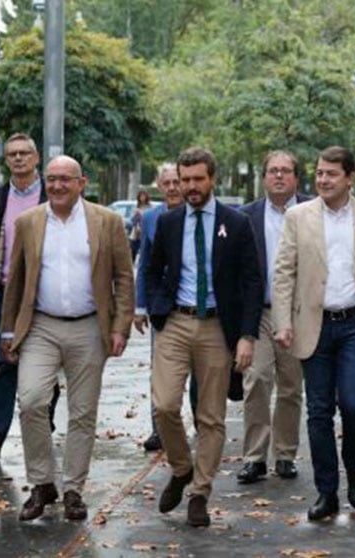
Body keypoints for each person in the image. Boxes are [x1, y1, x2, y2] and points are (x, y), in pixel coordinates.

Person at [0, 155, 134, 522]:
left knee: (83, 412)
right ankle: (43, 483)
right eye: (52, 179)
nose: (57, 186)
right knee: (31, 401)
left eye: (65, 179)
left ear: (81, 183)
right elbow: (16, 280)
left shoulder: (107, 222)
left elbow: (123, 277)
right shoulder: (28, 221)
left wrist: (119, 326)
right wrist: (8, 330)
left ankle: (74, 488)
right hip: (41, 326)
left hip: (91, 326)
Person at [145, 147, 261, 528]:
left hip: (217, 327)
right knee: (164, 405)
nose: (190, 187)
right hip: (176, 322)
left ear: (212, 179)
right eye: (184, 180)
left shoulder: (237, 222)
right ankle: (181, 468)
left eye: (197, 179)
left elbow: (251, 281)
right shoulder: (168, 222)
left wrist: (246, 335)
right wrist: (152, 307)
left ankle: (199, 493)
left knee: (210, 417)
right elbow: (152, 268)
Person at [273, 146, 355, 521]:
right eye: (320, 173)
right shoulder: (298, 217)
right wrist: (283, 322)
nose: (323, 179)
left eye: (331, 174)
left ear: (351, 178)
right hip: (314, 324)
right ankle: (327, 492)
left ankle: (354, 470)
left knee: (354, 404)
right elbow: (284, 272)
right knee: (319, 411)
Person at [0, 133, 59, 460]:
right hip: (6, 290)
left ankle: (43, 420)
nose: (19, 158)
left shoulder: (51, 194)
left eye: (25, 153)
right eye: (12, 154)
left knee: (45, 360)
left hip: (45, 291)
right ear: (6, 160)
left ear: (36, 158)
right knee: (8, 357)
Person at [236, 150, 310, 484]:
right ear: (264, 176)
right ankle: (254, 456)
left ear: (296, 177)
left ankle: (284, 454)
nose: (279, 176)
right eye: (273, 171)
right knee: (257, 380)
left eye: (285, 171)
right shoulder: (245, 216)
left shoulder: (312, 212)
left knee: (292, 386)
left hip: (298, 313)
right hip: (259, 312)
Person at [133, 163, 197, 452]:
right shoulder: (150, 219)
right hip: (163, 306)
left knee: (199, 370)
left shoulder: (199, 215)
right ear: (159, 187)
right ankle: (159, 429)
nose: (172, 188)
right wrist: (140, 305)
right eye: (166, 183)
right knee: (160, 370)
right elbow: (145, 264)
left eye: (176, 182)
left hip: (196, 304)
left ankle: (199, 422)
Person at [130, 189, 152, 261]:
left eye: (144, 196)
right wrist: (135, 215)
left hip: (144, 231)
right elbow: (132, 220)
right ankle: (131, 264)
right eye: (141, 196)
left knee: (144, 251)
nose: (142, 198)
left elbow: (149, 219)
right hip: (136, 232)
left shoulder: (149, 207)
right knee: (133, 250)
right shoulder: (136, 206)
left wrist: (141, 214)